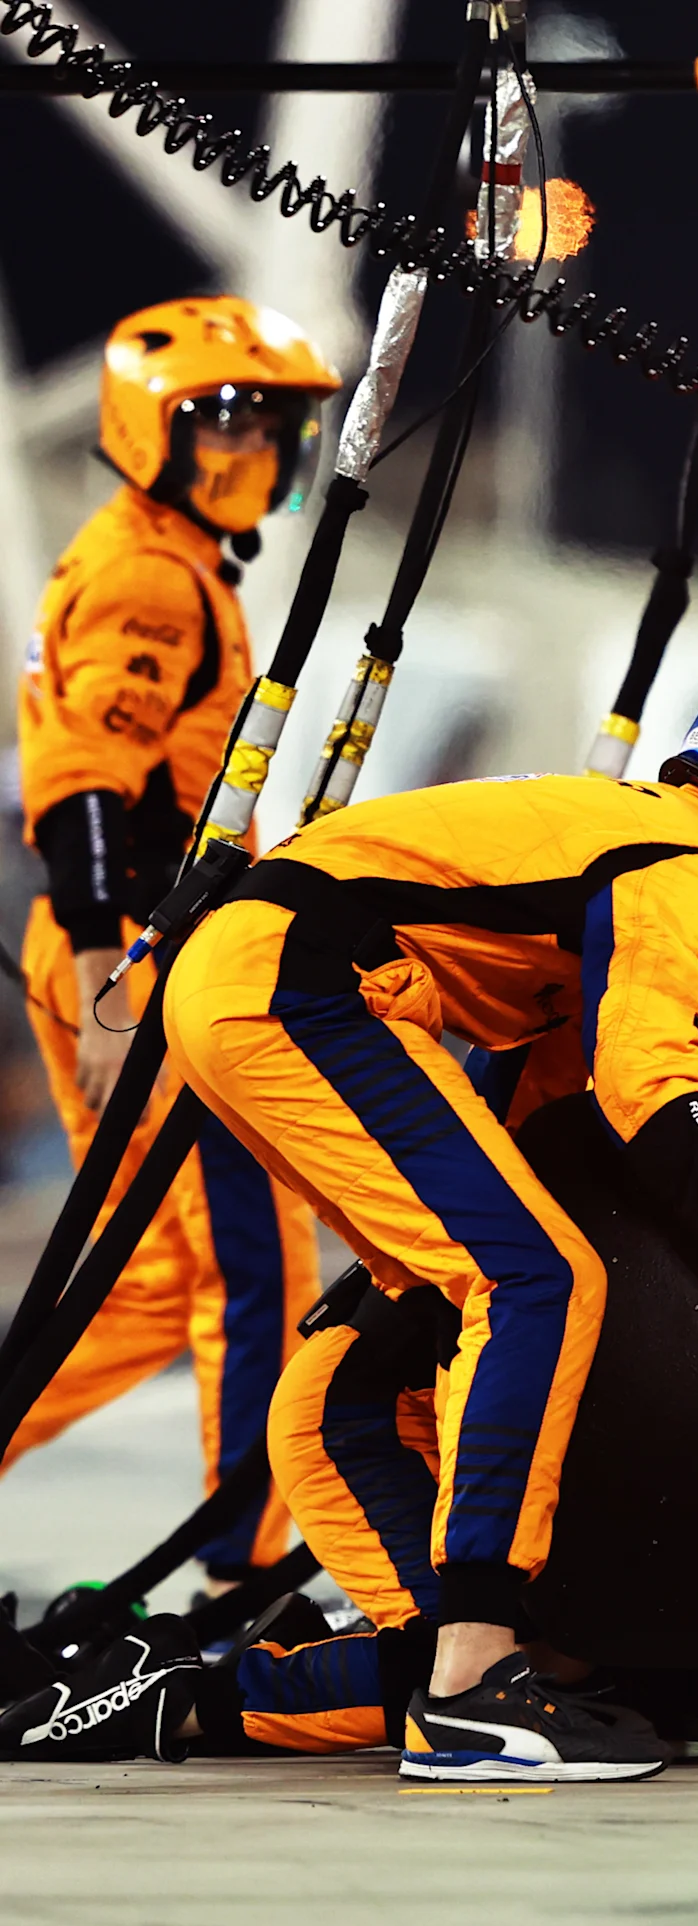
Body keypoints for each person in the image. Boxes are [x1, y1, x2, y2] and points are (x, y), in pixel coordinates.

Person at [92, 653, 698, 1783]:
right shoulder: (694, 860)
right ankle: (473, 1683)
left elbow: (543, 1103)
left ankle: (318, 1675)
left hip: (269, 982)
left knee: (466, 1301)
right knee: (537, 1278)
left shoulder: (635, 842)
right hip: (295, 982)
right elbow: (650, 1103)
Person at [2, 297, 338, 1582]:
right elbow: (90, 769)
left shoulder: (160, 553)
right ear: (157, 432)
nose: (257, 451)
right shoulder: (152, 574)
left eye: (272, 426)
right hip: (137, 961)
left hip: (116, 946)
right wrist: (107, 967)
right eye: (230, 422)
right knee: (256, 1259)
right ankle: (247, 1568)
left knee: (146, 1283)